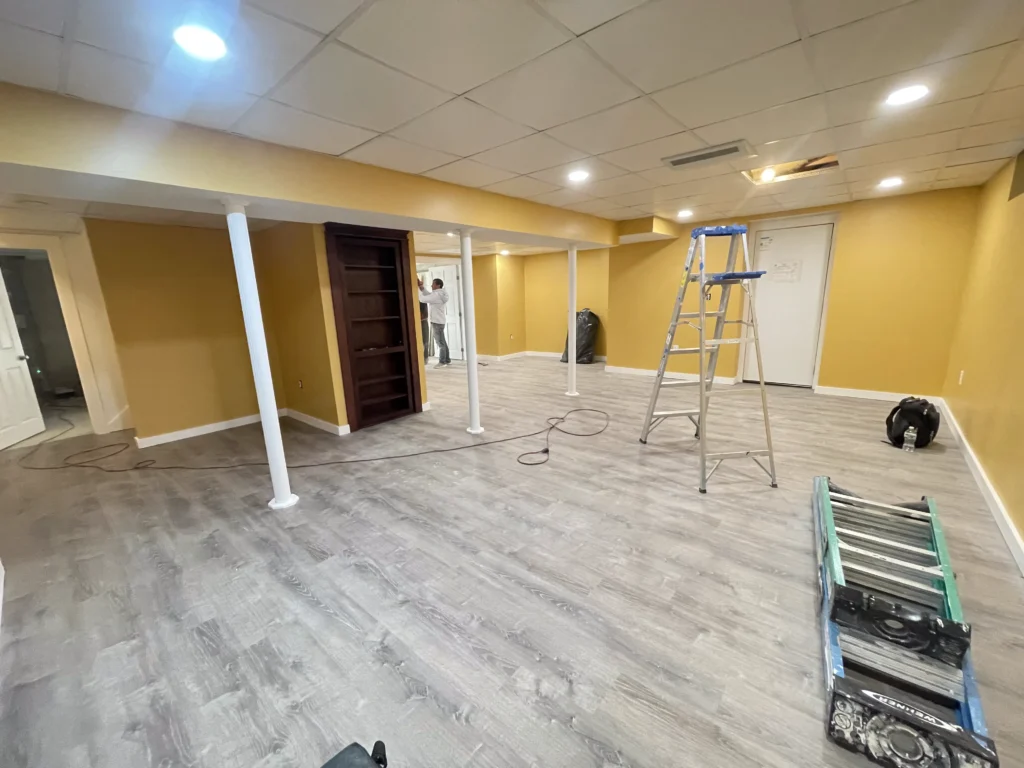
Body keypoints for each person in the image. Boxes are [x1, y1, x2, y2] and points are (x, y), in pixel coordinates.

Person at [417, 276, 450, 368]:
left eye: (433, 284)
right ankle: (447, 359)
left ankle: (442, 362)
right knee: (442, 341)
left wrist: (417, 290)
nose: (431, 285)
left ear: (437, 285)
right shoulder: (440, 294)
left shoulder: (436, 295)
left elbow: (422, 299)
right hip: (440, 321)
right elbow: (429, 295)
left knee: (440, 343)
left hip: (436, 322)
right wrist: (422, 288)